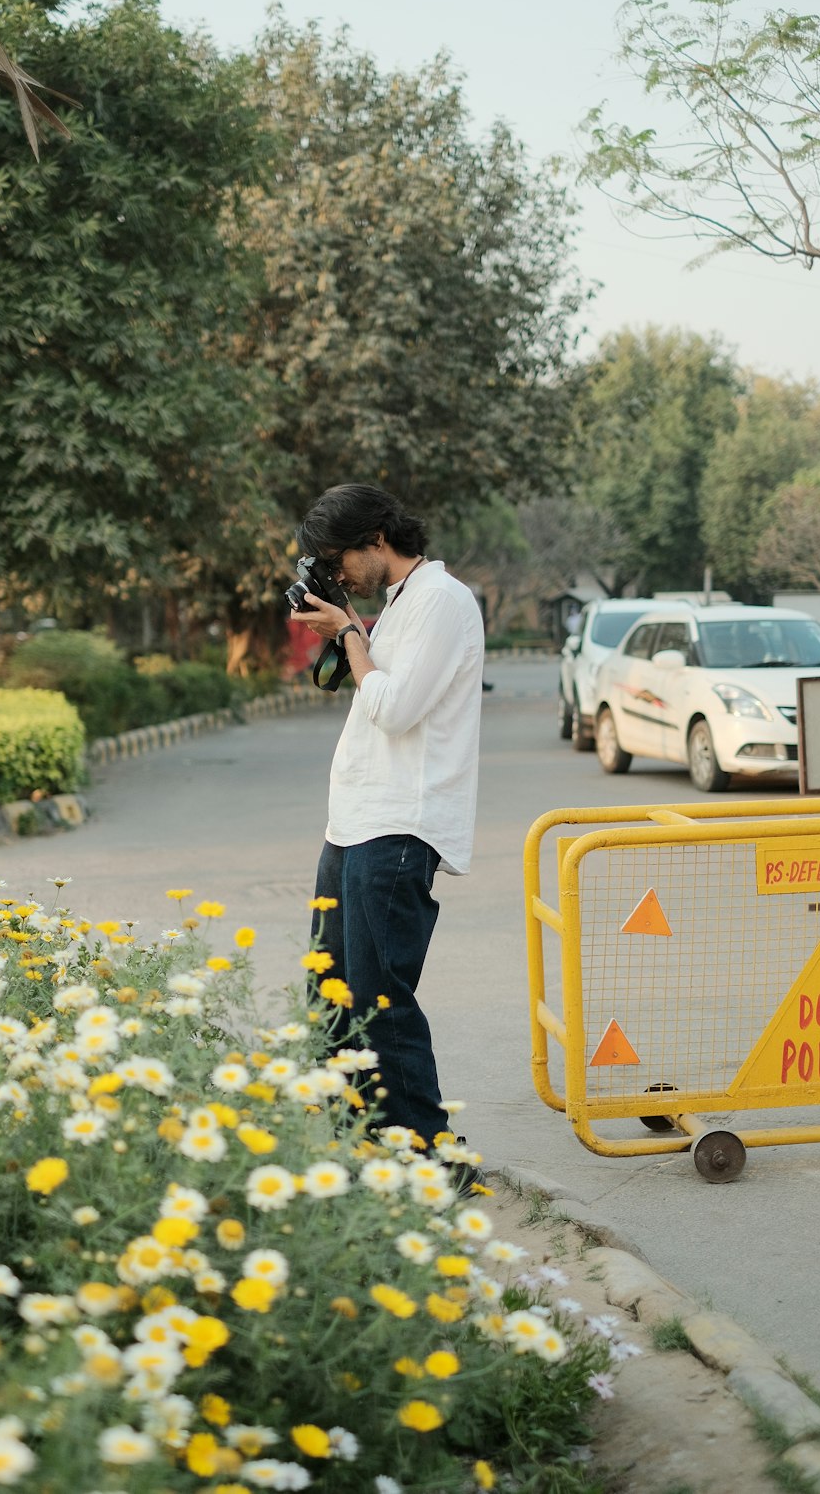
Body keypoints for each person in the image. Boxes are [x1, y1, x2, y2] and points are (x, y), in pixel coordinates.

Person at [290, 482, 485, 1185]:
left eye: (338, 560)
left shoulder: (441, 601)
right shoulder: (402, 606)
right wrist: (353, 636)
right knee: (331, 990)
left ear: (376, 539)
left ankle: (436, 1157)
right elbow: (375, 689)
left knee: (378, 998)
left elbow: (396, 709)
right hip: (355, 825)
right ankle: (361, 1143)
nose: (337, 576)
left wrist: (348, 634)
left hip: (400, 826)